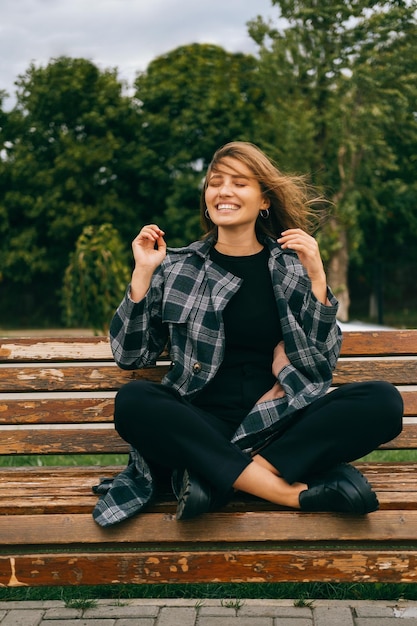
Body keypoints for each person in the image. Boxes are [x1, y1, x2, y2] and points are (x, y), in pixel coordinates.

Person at [92, 141, 403, 527]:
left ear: (264, 201)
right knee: (135, 400)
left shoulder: (292, 267)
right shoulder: (175, 269)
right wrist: (142, 273)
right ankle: (288, 493)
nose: (223, 191)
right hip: (200, 423)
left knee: (383, 400)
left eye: (239, 183)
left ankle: (216, 479)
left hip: (278, 423)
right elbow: (130, 356)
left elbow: (321, 363)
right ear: (206, 198)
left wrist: (318, 279)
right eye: (215, 182)